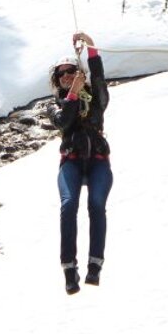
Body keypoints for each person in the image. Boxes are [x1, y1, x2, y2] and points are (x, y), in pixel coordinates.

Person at [49, 31, 112, 295]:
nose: (66, 76)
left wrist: (91, 46)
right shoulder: (54, 106)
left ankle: (95, 266)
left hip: (97, 159)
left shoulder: (96, 101)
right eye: (61, 74)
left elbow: (99, 80)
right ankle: (69, 270)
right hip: (71, 162)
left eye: (71, 71)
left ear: (79, 73)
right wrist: (73, 95)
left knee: (96, 205)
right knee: (68, 206)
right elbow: (63, 120)